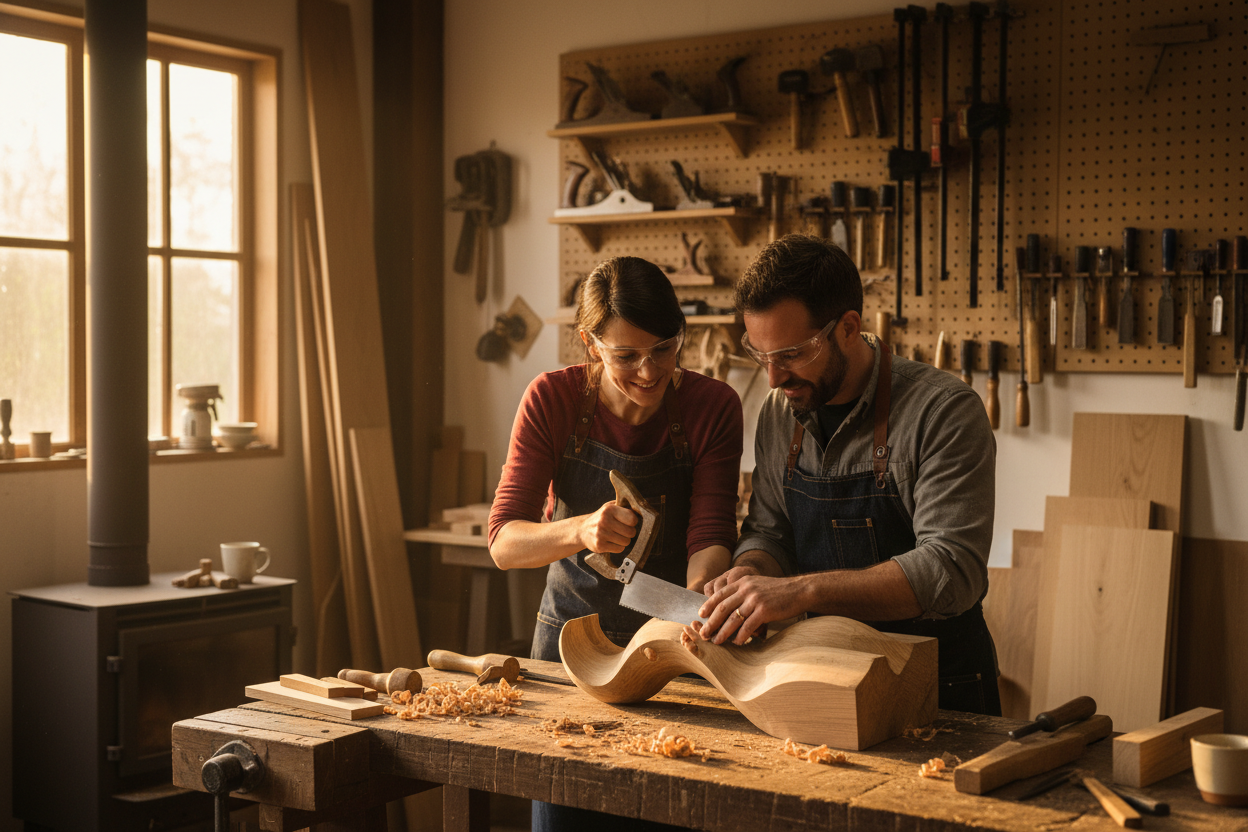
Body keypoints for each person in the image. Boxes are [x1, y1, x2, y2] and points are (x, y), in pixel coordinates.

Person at [695, 234, 1001, 716]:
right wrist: (750, 574)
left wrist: (800, 591)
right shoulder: (781, 411)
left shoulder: (943, 411)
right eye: (762, 356)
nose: (774, 379)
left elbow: (950, 570)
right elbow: (770, 531)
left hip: (940, 690)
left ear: (848, 328)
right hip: (824, 678)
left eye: (792, 354)